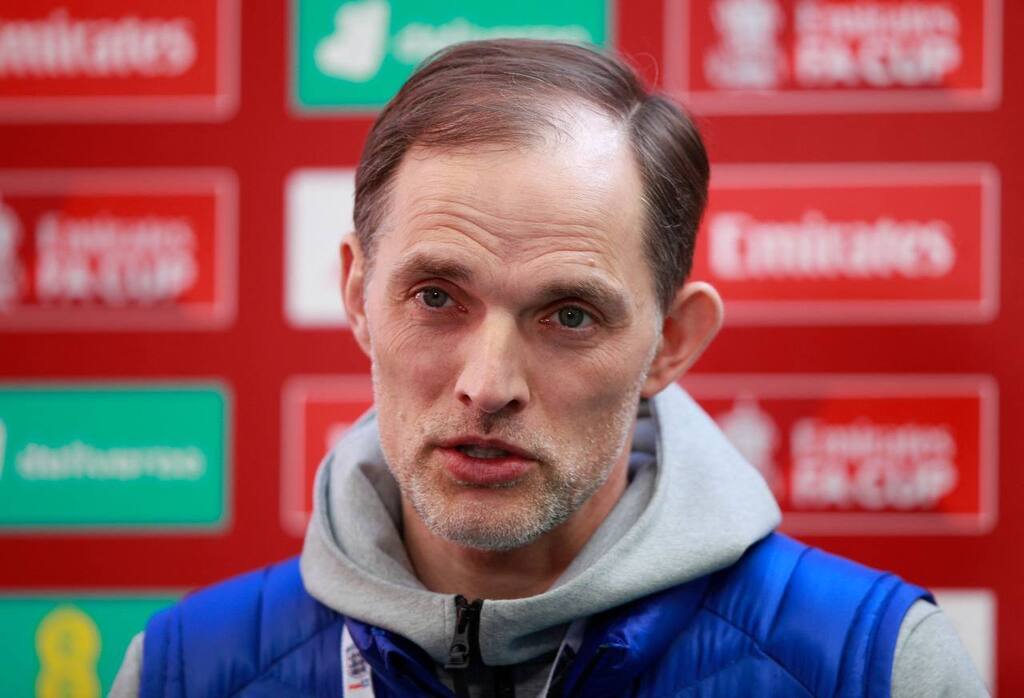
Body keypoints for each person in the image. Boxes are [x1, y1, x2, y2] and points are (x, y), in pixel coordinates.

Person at [111, 39, 987, 697]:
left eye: (569, 315)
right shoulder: (183, 672)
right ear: (357, 296)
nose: (489, 385)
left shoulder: (871, 667)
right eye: (437, 297)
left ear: (671, 343)